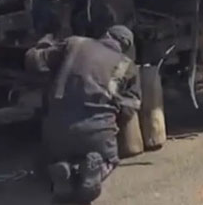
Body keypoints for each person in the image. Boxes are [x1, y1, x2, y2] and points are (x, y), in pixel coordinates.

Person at [25, 25, 141, 203]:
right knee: (109, 159)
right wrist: (113, 122)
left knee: (49, 159)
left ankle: (61, 169)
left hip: (57, 129)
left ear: (105, 34)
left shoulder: (76, 43)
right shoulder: (126, 64)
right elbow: (129, 107)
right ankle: (98, 170)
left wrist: (44, 42)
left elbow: (34, 61)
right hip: (98, 131)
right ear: (126, 47)